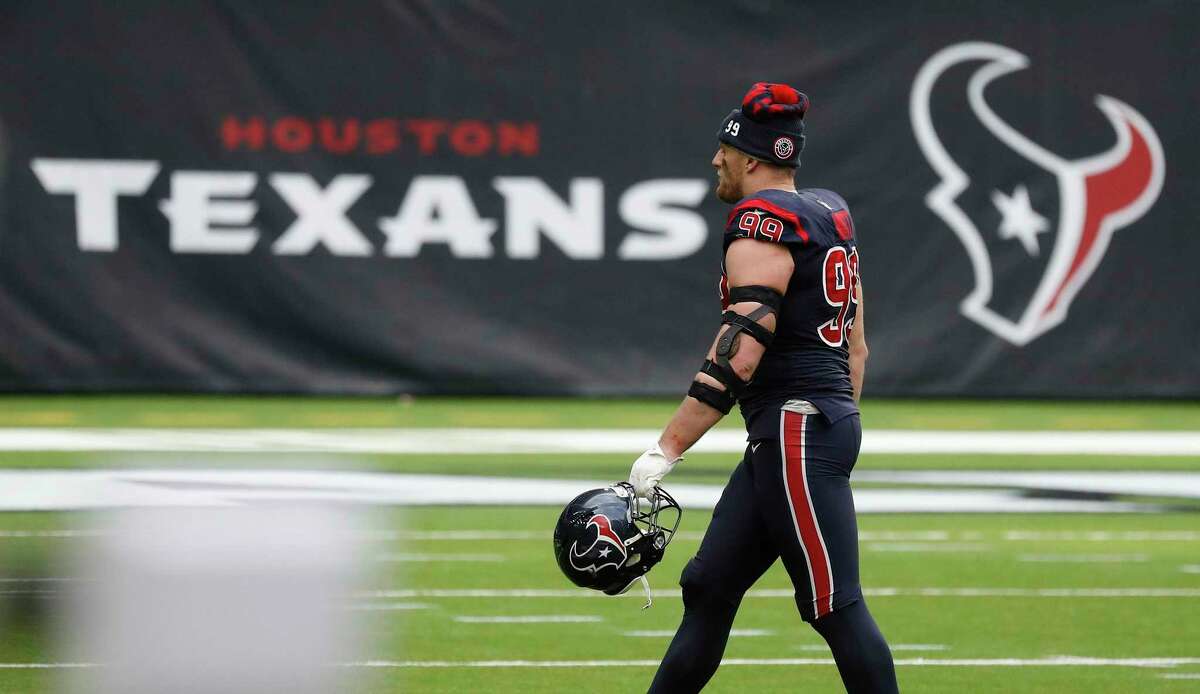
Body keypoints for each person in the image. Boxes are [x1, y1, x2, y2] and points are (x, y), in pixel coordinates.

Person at [628, 82, 898, 694]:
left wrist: (666, 448)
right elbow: (856, 344)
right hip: (800, 428)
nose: (715, 160)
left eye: (724, 150)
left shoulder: (761, 220)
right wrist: (837, 421)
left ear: (751, 158)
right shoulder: (829, 211)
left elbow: (740, 352)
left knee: (834, 605)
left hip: (796, 428)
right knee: (708, 587)